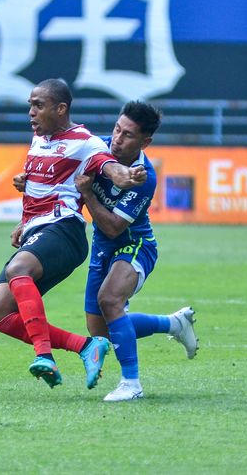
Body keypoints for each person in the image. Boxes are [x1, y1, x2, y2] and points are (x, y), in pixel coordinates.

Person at [0, 78, 147, 390]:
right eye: (30, 105)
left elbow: (110, 167)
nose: (31, 112)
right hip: (38, 230)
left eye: (38, 106)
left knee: (18, 269)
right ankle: (86, 347)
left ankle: (44, 356)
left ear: (61, 109)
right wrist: (24, 218)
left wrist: (127, 176)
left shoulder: (86, 141)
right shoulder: (38, 138)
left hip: (65, 230)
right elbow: (43, 185)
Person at [74, 100, 198, 402]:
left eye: (127, 135)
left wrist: (88, 192)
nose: (117, 138)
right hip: (102, 249)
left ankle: (132, 384)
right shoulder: (97, 150)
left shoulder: (144, 178)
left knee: (110, 299)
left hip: (135, 245)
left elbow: (114, 227)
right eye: (117, 129)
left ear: (145, 141)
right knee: (102, 334)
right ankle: (172, 323)